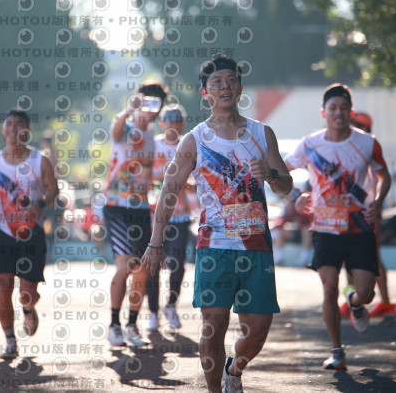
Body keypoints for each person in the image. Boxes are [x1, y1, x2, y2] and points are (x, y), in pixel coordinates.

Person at [142, 55, 292, 393]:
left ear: (240, 87)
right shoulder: (194, 140)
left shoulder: (261, 133)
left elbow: (286, 185)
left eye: (230, 80)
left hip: (256, 245)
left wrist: (271, 174)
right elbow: (169, 190)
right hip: (214, 247)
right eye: (216, 82)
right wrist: (155, 242)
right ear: (205, 92)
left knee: (257, 330)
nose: (224, 87)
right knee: (213, 326)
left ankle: (234, 369)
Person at [285, 84, 392, 370]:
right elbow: (280, 170)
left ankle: (355, 302)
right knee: (329, 288)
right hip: (325, 227)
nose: (338, 113)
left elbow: (385, 175)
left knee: (367, 293)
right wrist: (295, 196)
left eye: (344, 108)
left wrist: (378, 202)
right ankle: (337, 351)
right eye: (333, 108)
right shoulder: (310, 144)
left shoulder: (367, 143)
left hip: (359, 227)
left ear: (351, 112)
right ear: (324, 113)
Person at [0, 109, 58, 360]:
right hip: (3, 232)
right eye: (9, 124)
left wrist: (40, 204)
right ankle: (10, 341)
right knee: (3, 286)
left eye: (19, 125)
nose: (14, 129)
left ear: (28, 131)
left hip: (31, 233)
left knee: (27, 292)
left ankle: (28, 307)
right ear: (3, 129)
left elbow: (53, 191)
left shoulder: (39, 161)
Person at [104, 83, 167, 347]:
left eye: (156, 104)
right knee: (125, 265)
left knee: (142, 269)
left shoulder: (152, 137)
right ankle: (114, 325)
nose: (151, 108)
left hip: (140, 207)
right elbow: (115, 131)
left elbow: (148, 173)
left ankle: (131, 325)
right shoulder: (127, 128)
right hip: (116, 206)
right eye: (147, 101)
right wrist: (128, 111)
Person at [337, 112, 396, 318]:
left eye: (353, 124)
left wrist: (375, 206)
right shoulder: (354, 148)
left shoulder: (366, 148)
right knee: (349, 258)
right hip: (350, 212)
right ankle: (353, 300)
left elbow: (379, 180)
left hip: (366, 214)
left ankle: (385, 302)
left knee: (373, 258)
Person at [146, 104, 194, 331]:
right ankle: (153, 313)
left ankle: (171, 305)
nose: (173, 125)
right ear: (162, 123)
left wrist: (190, 184)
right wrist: (164, 175)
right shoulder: (153, 145)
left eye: (177, 121)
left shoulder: (189, 145)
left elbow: (197, 177)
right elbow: (143, 174)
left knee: (177, 263)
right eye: (169, 121)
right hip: (154, 213)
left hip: (180, 214)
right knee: (152, 263)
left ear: (182, 124)